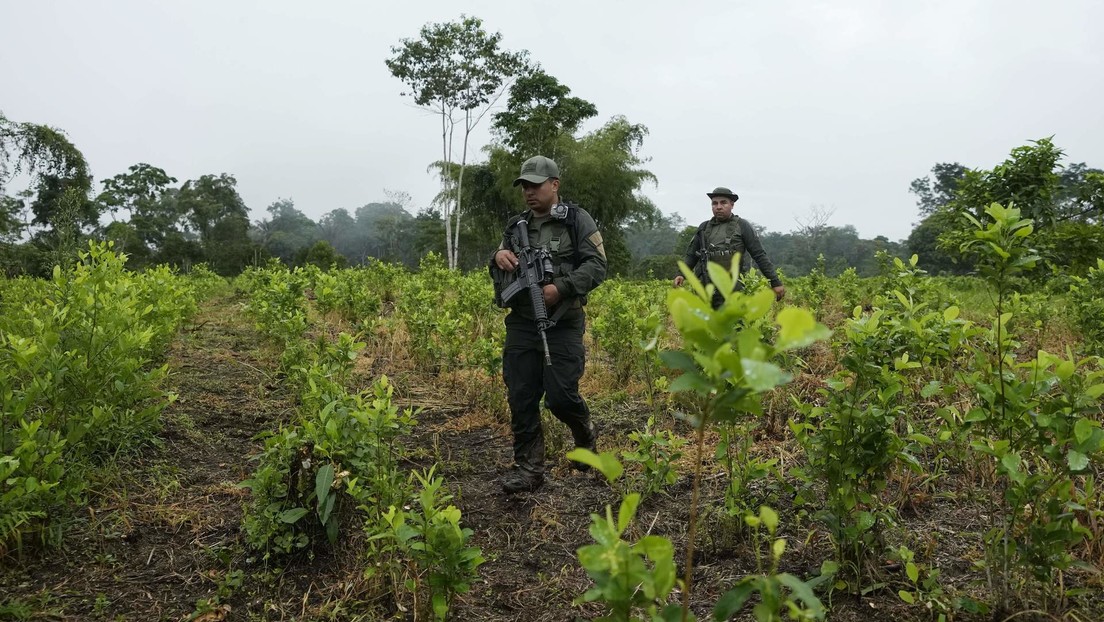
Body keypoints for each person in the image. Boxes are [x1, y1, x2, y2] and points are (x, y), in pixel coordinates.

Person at [489, 155, 608, 494]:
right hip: (522, 323)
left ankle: (584, 435)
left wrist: (561, 288)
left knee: (560, 396)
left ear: (554, 185)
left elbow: (597, 266)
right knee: (521, 395)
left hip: (563, 322)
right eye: (524, 186)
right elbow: (499, 262)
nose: (529, 192)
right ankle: (529, 469)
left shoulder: (576, 220)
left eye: (536, 185)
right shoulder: (516, 225)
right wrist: (498, 256)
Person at [673, 186, 785, 308]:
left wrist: (775, 282)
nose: (718, 207)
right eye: (714, 203)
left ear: (732, 205)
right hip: (705, 287)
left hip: (732, 289)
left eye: (723, 203)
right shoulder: (703, 228)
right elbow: (691, 255)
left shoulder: (742, 226)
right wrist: (681, 274)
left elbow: (759, 255)